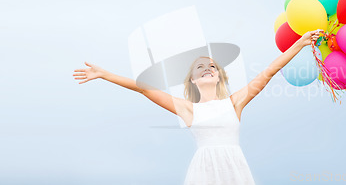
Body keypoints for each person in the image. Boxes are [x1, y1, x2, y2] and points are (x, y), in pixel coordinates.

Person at [73, 30, 321, 184]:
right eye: (200, 67)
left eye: (212, 66)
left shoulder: (235, 102)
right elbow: (145, 88)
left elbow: (268, 72)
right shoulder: (188, 109)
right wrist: (105, 75)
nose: (207, 69)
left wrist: (299, 44)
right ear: (192, 79)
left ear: (219, 76)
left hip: (235, 167)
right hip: (204, 170)